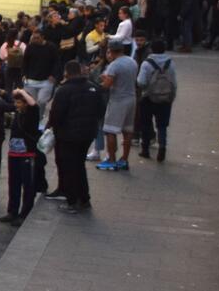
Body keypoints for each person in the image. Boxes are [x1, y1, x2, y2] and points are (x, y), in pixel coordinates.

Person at [48, 59, 106, 213]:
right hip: (87, 134)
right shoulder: (93, 88)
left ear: (66, 73)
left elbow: (56, 114)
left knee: (69, 167)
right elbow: (101, 110)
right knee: (79, 165)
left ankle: (72, 201)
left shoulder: (64, 90)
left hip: (68, 135)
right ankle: (83, 198)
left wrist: (52, 126)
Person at [1, 89, 43, 224]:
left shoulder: (32, 114)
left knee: (27, 184)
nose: (17, 105)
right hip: (13, 153)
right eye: (16, 102)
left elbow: (34, 105)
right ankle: (12, 211)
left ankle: (24, 213)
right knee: (13, 183)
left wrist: (22, 92)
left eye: (19, 102)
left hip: (27, 153)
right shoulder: (17, 115)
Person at [97, 40, 140, 172]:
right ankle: (124, 159)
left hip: (118, 100)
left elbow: (107, 85)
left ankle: (111, 160)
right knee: (127, 131)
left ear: (111, 50)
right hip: (131, 98)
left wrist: (103, 79)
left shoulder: (114, 66)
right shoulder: (132, 61)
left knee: (110, 130)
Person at [137, 38, 179, 161]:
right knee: (162, 125)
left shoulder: (147, 63)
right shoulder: (170, 63)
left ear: (151, 49)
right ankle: (162, 148)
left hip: (148, 97)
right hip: (165, 98)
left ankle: (145, 149)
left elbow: (141, 82)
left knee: (145, 123)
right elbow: (174, 82)